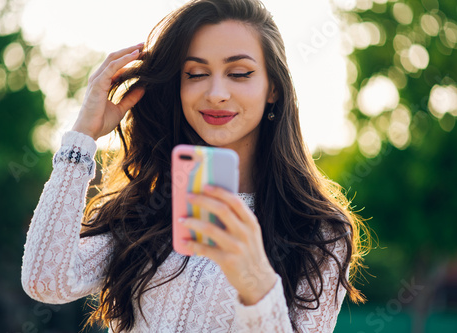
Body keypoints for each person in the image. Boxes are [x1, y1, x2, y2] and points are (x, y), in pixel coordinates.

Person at [21, 0, 370, 331]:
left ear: (273, 89)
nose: (216, 92)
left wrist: (256, 279)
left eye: (239, 73)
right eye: (196, 73)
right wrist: (83, 134)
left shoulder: (318, 230)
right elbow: (45, 281)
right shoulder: (145, 207)